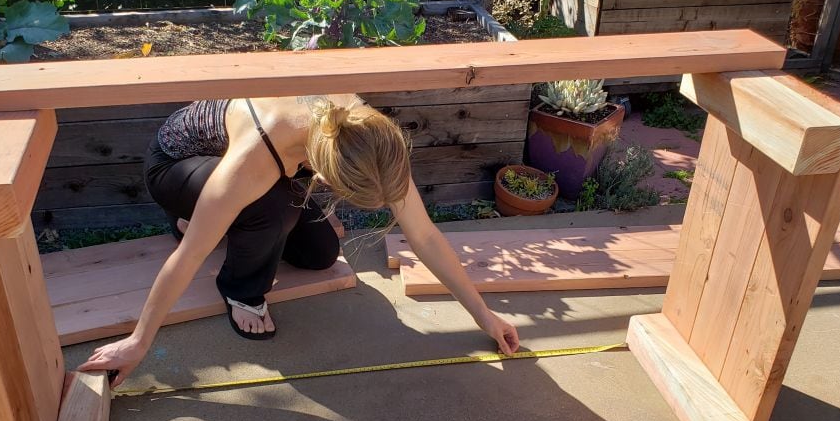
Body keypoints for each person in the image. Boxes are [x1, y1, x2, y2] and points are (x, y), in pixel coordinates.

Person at [78, 94, 520, 386]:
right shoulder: (257, 155)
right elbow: (189, 256)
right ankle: (238, 286)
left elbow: (422, 233)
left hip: (265, 168)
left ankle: (229, 220)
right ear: (322, 177)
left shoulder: (370, 136)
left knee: (322, 253)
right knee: (272, 210)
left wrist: (483, 315)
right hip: (179, 166)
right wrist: (138, 341)